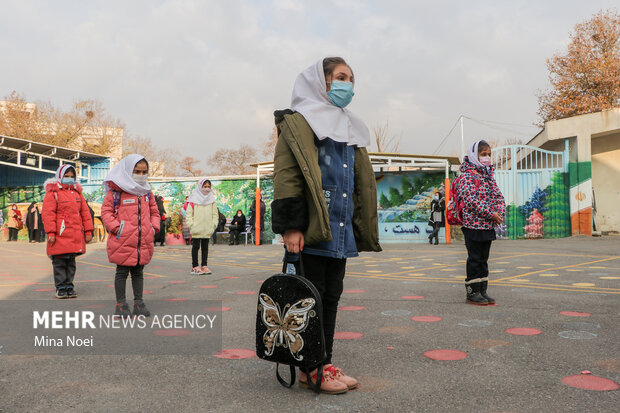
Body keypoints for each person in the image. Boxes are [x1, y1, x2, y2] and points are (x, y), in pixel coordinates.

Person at [271, 57, 381, 394]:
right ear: (322, 82)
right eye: (340, 77)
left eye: (351, 78)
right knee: (311, 297)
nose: (347, 84)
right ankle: (310, 368)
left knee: (331, 296)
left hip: (340, 229)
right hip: (312, 227)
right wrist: (291, 227)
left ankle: (324, 361)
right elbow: (288, 175)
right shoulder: (300, 122)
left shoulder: (350, 124)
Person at [101, 154, 160, 317]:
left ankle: (139, 303)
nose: (141, 175)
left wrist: (153, 227)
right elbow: (106, 212)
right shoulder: (116, 192)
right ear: (128, 171)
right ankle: (121, 304)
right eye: (137, 171)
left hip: (142, 240)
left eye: (144, 172)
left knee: (138, 273)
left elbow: (155, 212)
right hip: (123, 239)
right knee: (121, 273)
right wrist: (116, 228)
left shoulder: (147, 192)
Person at [457, 140, 505, 305]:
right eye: (483, 154)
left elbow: (498, 196)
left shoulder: (487, 175)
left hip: (487, 225)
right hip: (472, 226)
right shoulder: (466, 176)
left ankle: (482, 291)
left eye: (488, 154)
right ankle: (472, 292)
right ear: (474, 155)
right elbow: (471, 200)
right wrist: (491, 213)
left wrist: (499, 213)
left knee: (484, 260)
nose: (486, 158)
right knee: (475, 259)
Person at [42, 165, 94, 298]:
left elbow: (85, 213)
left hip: (74, 235)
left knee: (71, 262)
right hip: (59, 235)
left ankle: (69, 285)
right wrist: (51, 233)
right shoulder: (53, 193)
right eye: (66, 176)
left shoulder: (77, 193)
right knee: (59, 262)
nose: (69, 179)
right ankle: (60, 287)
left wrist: (88, 231)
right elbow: (48, 214)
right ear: (60, 176)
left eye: (72, 177)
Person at [185, 178, 218, 274]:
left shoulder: (211, 200)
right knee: (195, 248)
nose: (207, 189)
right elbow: (188, 214)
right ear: (200, 187)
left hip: (207, 229)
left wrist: (213, 225)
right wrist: (192, 225)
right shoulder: (193, 199)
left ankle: (204, 266)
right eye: (205, 186)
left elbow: (215, 214)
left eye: (208, 187)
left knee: (205, 248)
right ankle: (195, 266)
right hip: (196, 229)